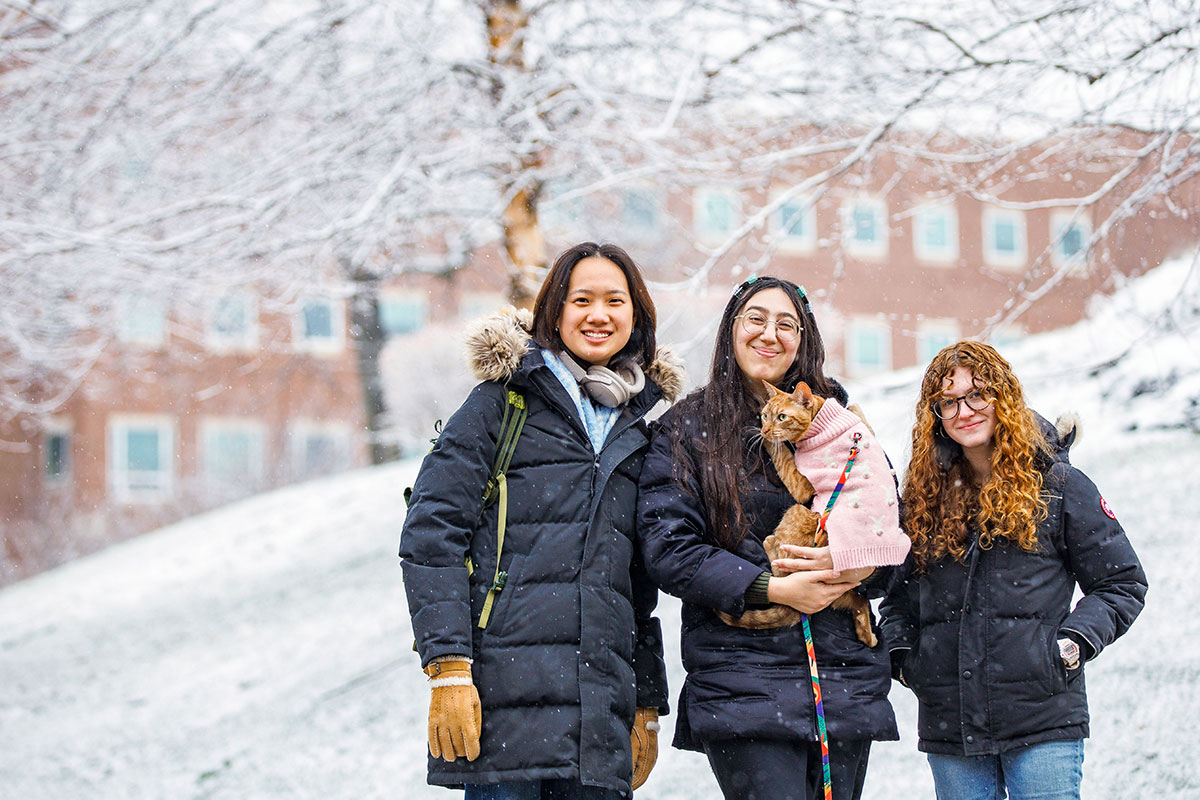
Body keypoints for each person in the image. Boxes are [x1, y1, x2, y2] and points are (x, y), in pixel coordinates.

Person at [399, 242, 685, 799]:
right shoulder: (499, 405)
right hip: (504, 720)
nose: (597, 315)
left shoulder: (638, 431)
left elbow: (636, 587)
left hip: (599, 728)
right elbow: (431, 535)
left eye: (614, 301)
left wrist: (647, 703)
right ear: (554, 310)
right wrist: (449, 667)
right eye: (582, 299)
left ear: (636, 317)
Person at [636, 275, 899, 800]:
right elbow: (669, 548)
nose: (770, 333)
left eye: (787, 324)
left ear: (805, 340)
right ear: (731, 330)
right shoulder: (686, 429)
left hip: (841, 676)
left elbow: (890, 530)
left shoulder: (842, 426)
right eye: (755, 318)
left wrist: (864, 568)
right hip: (743, 682)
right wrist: (772, 589)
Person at [879, 340, 1148, 800]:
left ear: (1002, 396)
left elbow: (1121, 583)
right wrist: (906, 660)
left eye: (978, 393)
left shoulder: (1060, 486)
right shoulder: (924, 500)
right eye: (949, 401)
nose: (965, 410)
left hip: (1042, 717)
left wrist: (1072, 642)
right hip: (952, 723)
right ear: (935, 414)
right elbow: (898, 601)